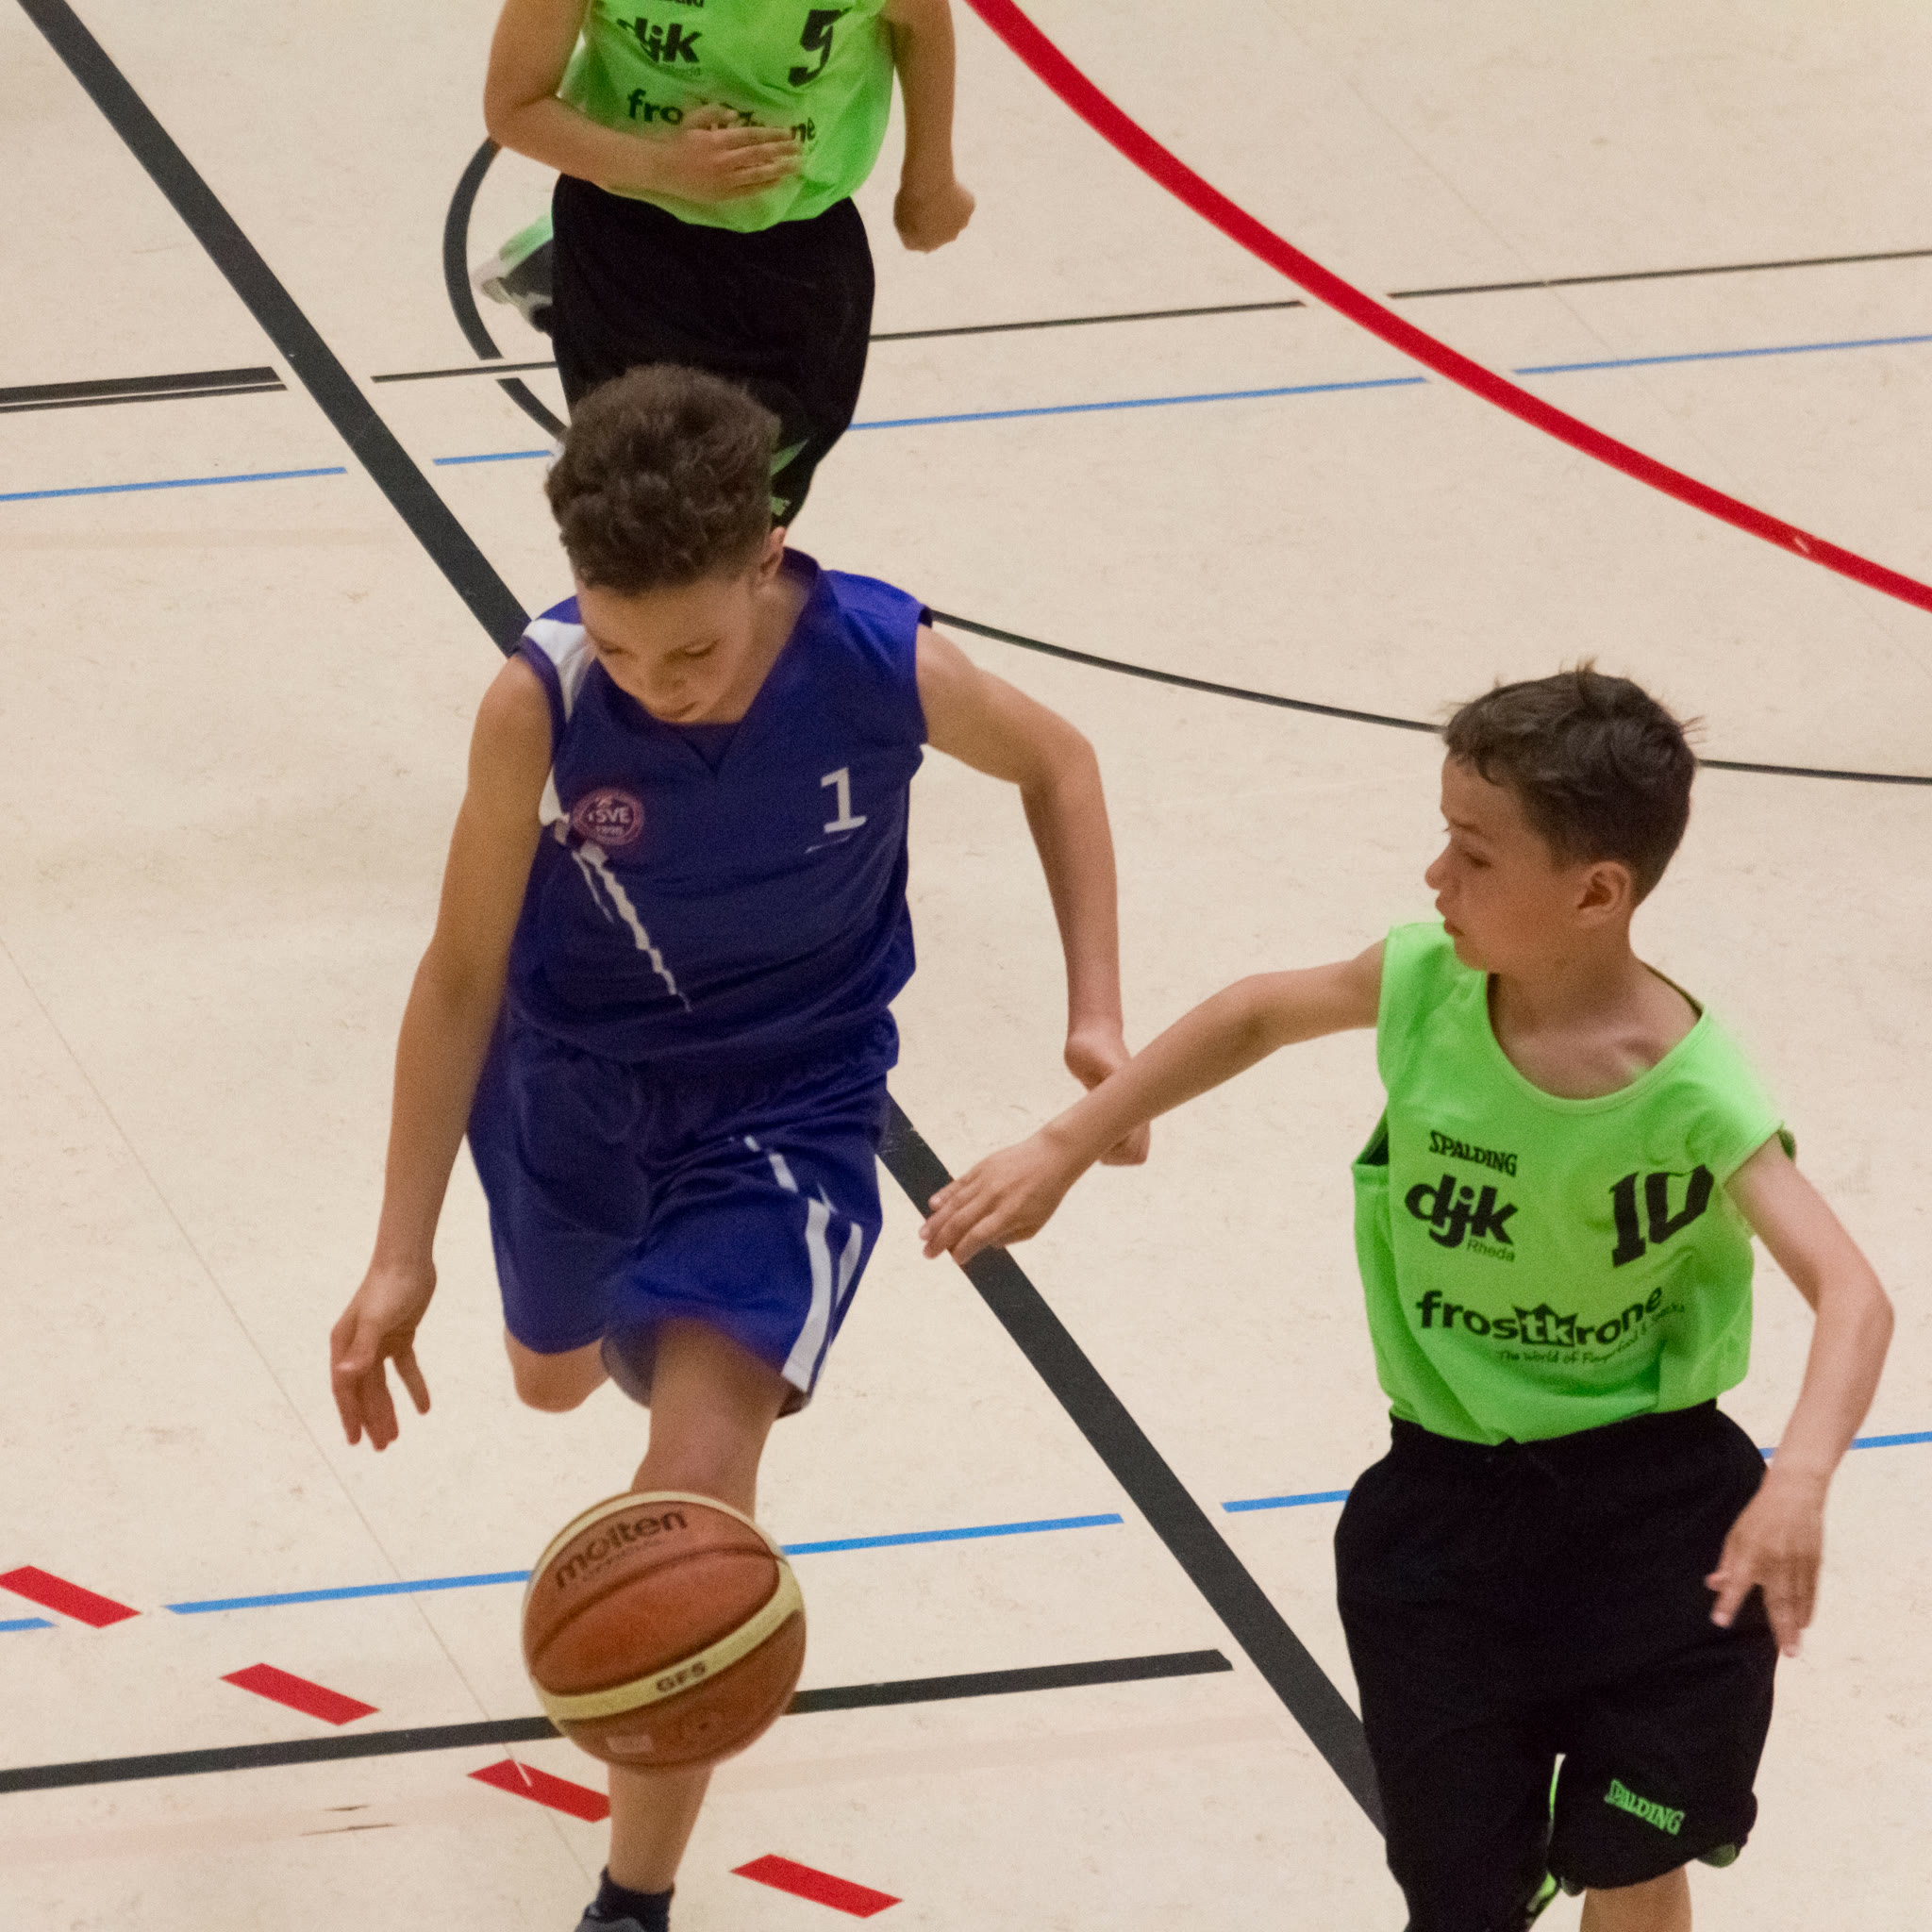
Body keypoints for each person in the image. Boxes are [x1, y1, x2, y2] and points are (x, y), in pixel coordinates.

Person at [327, 364, 1142, 1932]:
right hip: (570, 1080)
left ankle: (631, 1899)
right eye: (621, 642)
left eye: (691, 649)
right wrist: (396, 1248)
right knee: (549, 1376)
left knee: (694, 1492)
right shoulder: (542, 699)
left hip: (790, 1101)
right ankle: (585, 1315)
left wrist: (1094, 1011)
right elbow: (460, 971)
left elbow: (1061, 762)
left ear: (767, 552)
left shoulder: (879, 657)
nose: (657, 682)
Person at [918, 668, 1893, 1932]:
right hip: (1441, 1511)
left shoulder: (1693, 1090)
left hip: (1657, 1518)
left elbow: (1851, 1293)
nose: (1437, 876)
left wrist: (1800, 1475)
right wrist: (1066, 1141)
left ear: (1595, 893)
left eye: (1474, 855)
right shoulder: (1428, 983)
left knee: (1633, 1854)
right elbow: (1256, 1011)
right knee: (1461, 1899)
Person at [475, 0, 974, 522]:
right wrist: (661, 167)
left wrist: (930, 176)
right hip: (628, 241)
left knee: (770, 491)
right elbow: (514, 106)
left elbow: (920, 17)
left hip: (804, 240)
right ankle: (566, 291)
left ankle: (554, 282)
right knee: (656, 514)